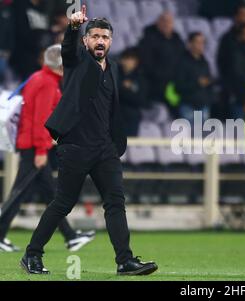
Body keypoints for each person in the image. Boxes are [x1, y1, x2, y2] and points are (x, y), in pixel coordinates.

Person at [20, 6, 158, 276]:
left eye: (104, 37)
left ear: (111, 41)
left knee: (116, 201)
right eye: (94, 36)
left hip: (105, 147)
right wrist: (73, 28)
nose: (99, 41)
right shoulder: (76, 60)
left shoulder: (113, 68)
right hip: (76, 145)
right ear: (86, 40)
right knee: (63, 203)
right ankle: (32, 254)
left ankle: (124, 260)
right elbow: (68, 49)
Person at [0, 45, 94, 253]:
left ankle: (70, 237)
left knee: (49, 194)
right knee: (19, 193)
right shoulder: (47, 83)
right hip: (34, 147)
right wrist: (42, 150)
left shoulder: (38, 77)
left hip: (31, 144)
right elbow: (41, 120)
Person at [138, 12, 185, 102]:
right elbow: (147, 63)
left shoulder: (177, 40)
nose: (166, 24)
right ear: (157, 23)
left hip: (175, 83)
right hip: (155, 84)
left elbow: (183, 60)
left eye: (169, 21)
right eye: (163, 21)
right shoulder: (148, 39)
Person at [174, 32, 214, 125]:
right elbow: (178, 87)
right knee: (188, 138)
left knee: (203, 138)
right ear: (189, 44)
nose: (200, 45)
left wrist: (209, 98)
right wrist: (197, 83)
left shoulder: (204, 63)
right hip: (188, 106)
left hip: (204, 106)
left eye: (202, 42)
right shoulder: (181, 62)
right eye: (197, 42)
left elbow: (209, 83)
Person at [118, 47, 149, 137]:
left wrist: (123, 90)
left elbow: (141, 100)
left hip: (132, 115)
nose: (129, 62)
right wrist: (128, 89)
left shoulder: (141, 79)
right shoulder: (113, 74)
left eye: (132, 59)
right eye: (127, 59)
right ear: (121, 60)